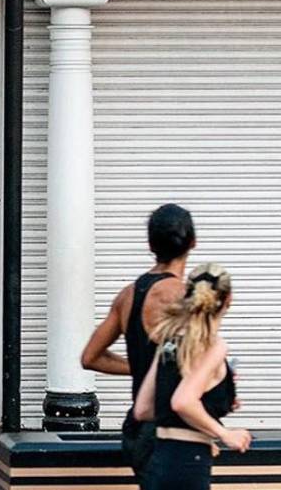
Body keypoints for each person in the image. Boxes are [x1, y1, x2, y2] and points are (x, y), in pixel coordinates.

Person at [81, 203, 194, 487]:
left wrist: (141, 367)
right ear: (193, 242)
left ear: (150, 245)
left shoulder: (128, 296)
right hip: (174, 432)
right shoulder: (186, 298)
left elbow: (90, 357)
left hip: (138, 432)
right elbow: (196, 368)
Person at [133, 264, 251, 489]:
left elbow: (144, 409)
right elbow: (182, 402)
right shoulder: (213, 346)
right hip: (189, 462)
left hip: (159, 458)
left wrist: (207, 416)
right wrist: (224, 434)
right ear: (228, 299)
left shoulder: (169, 341)